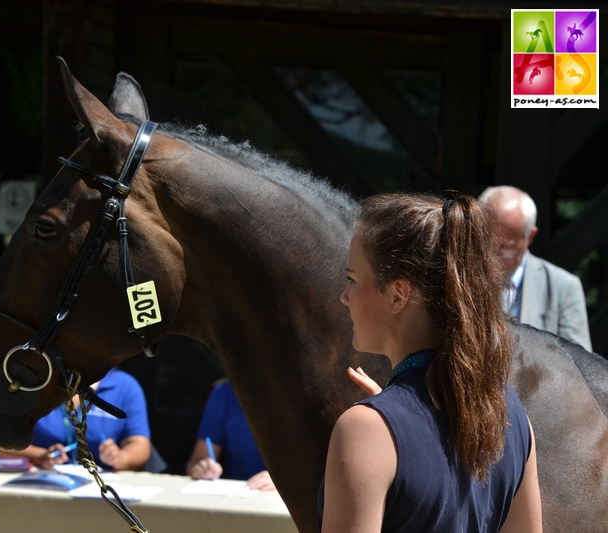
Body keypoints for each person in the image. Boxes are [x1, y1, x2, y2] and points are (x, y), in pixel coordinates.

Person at [320, 194, 542, 532]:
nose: (344, 296)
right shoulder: (511, 413)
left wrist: (386, 424)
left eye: (352, 279)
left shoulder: (365, 430)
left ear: (398, 295)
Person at [479, 185, 592, 350]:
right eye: (486, 243)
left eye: (506, 247)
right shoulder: (461, 277)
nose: (494, 256)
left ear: (529, 236)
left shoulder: (564, 287)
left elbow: (580, 365)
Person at [0, 368, 151, 471]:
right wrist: (40, 456)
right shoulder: (35, 381)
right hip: (40, 486)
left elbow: (140, 444)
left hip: (100, 489)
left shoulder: (125, 386)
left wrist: (121, 457)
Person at [186, 380, 275, 491]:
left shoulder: (299, 389)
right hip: (236, 497)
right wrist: (202, 468)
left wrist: (282, 480)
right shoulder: (224, 393)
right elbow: (196, 462)